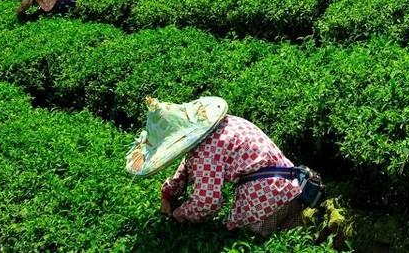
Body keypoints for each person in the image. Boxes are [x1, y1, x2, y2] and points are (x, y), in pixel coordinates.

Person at [126, 96, 322, 237]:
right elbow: (187, 167)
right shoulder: (226, 124)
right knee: (296, 237)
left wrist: (180, 214)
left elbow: (207, 202)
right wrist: (167, 194)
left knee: (253, 241)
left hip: (263, 201)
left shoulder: (205, 151)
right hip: (289, 188)